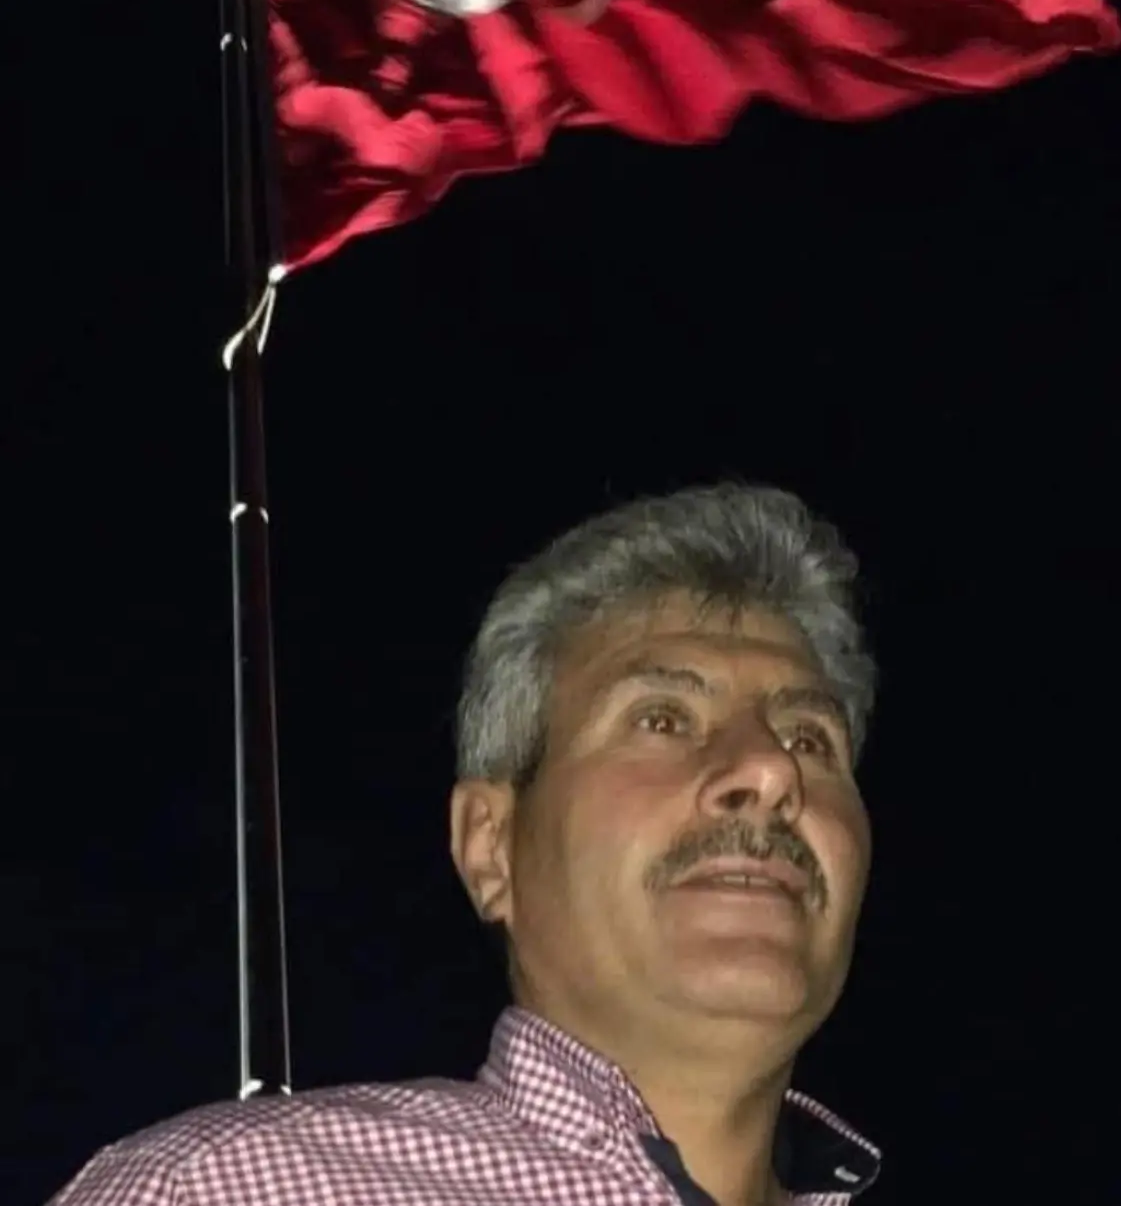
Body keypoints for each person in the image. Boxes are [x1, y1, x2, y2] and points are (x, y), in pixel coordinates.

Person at [52, 483, 883, 1206]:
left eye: (810, 739)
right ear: (491, 848)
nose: (769, 770)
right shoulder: (216, 1190)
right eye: (662, 720)